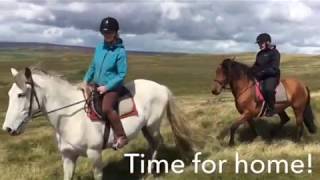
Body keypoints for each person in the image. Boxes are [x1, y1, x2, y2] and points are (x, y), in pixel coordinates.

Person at [83, 17, 128, 149]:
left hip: (113, 87)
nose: (107, 35)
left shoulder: (120, 52)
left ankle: (121, 136)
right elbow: (93, 66)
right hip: (97, 85)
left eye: (110, 32)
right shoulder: (99, 48)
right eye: (104, 32)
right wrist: (86, 79)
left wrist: (107, 87)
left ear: (115, 33)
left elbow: (121, 74)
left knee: (107, 108)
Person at [251, 33, 280, 117]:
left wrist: (261, 73)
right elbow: (256, 66)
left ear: (268, 42)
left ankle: (272, 109)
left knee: (267, 89)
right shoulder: (259, 54)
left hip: (272, 76)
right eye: (259, 43)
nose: (259, 45)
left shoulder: (275, 53)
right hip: (260, 76)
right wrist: (250, 71)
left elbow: (274, 69)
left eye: (261, 43)